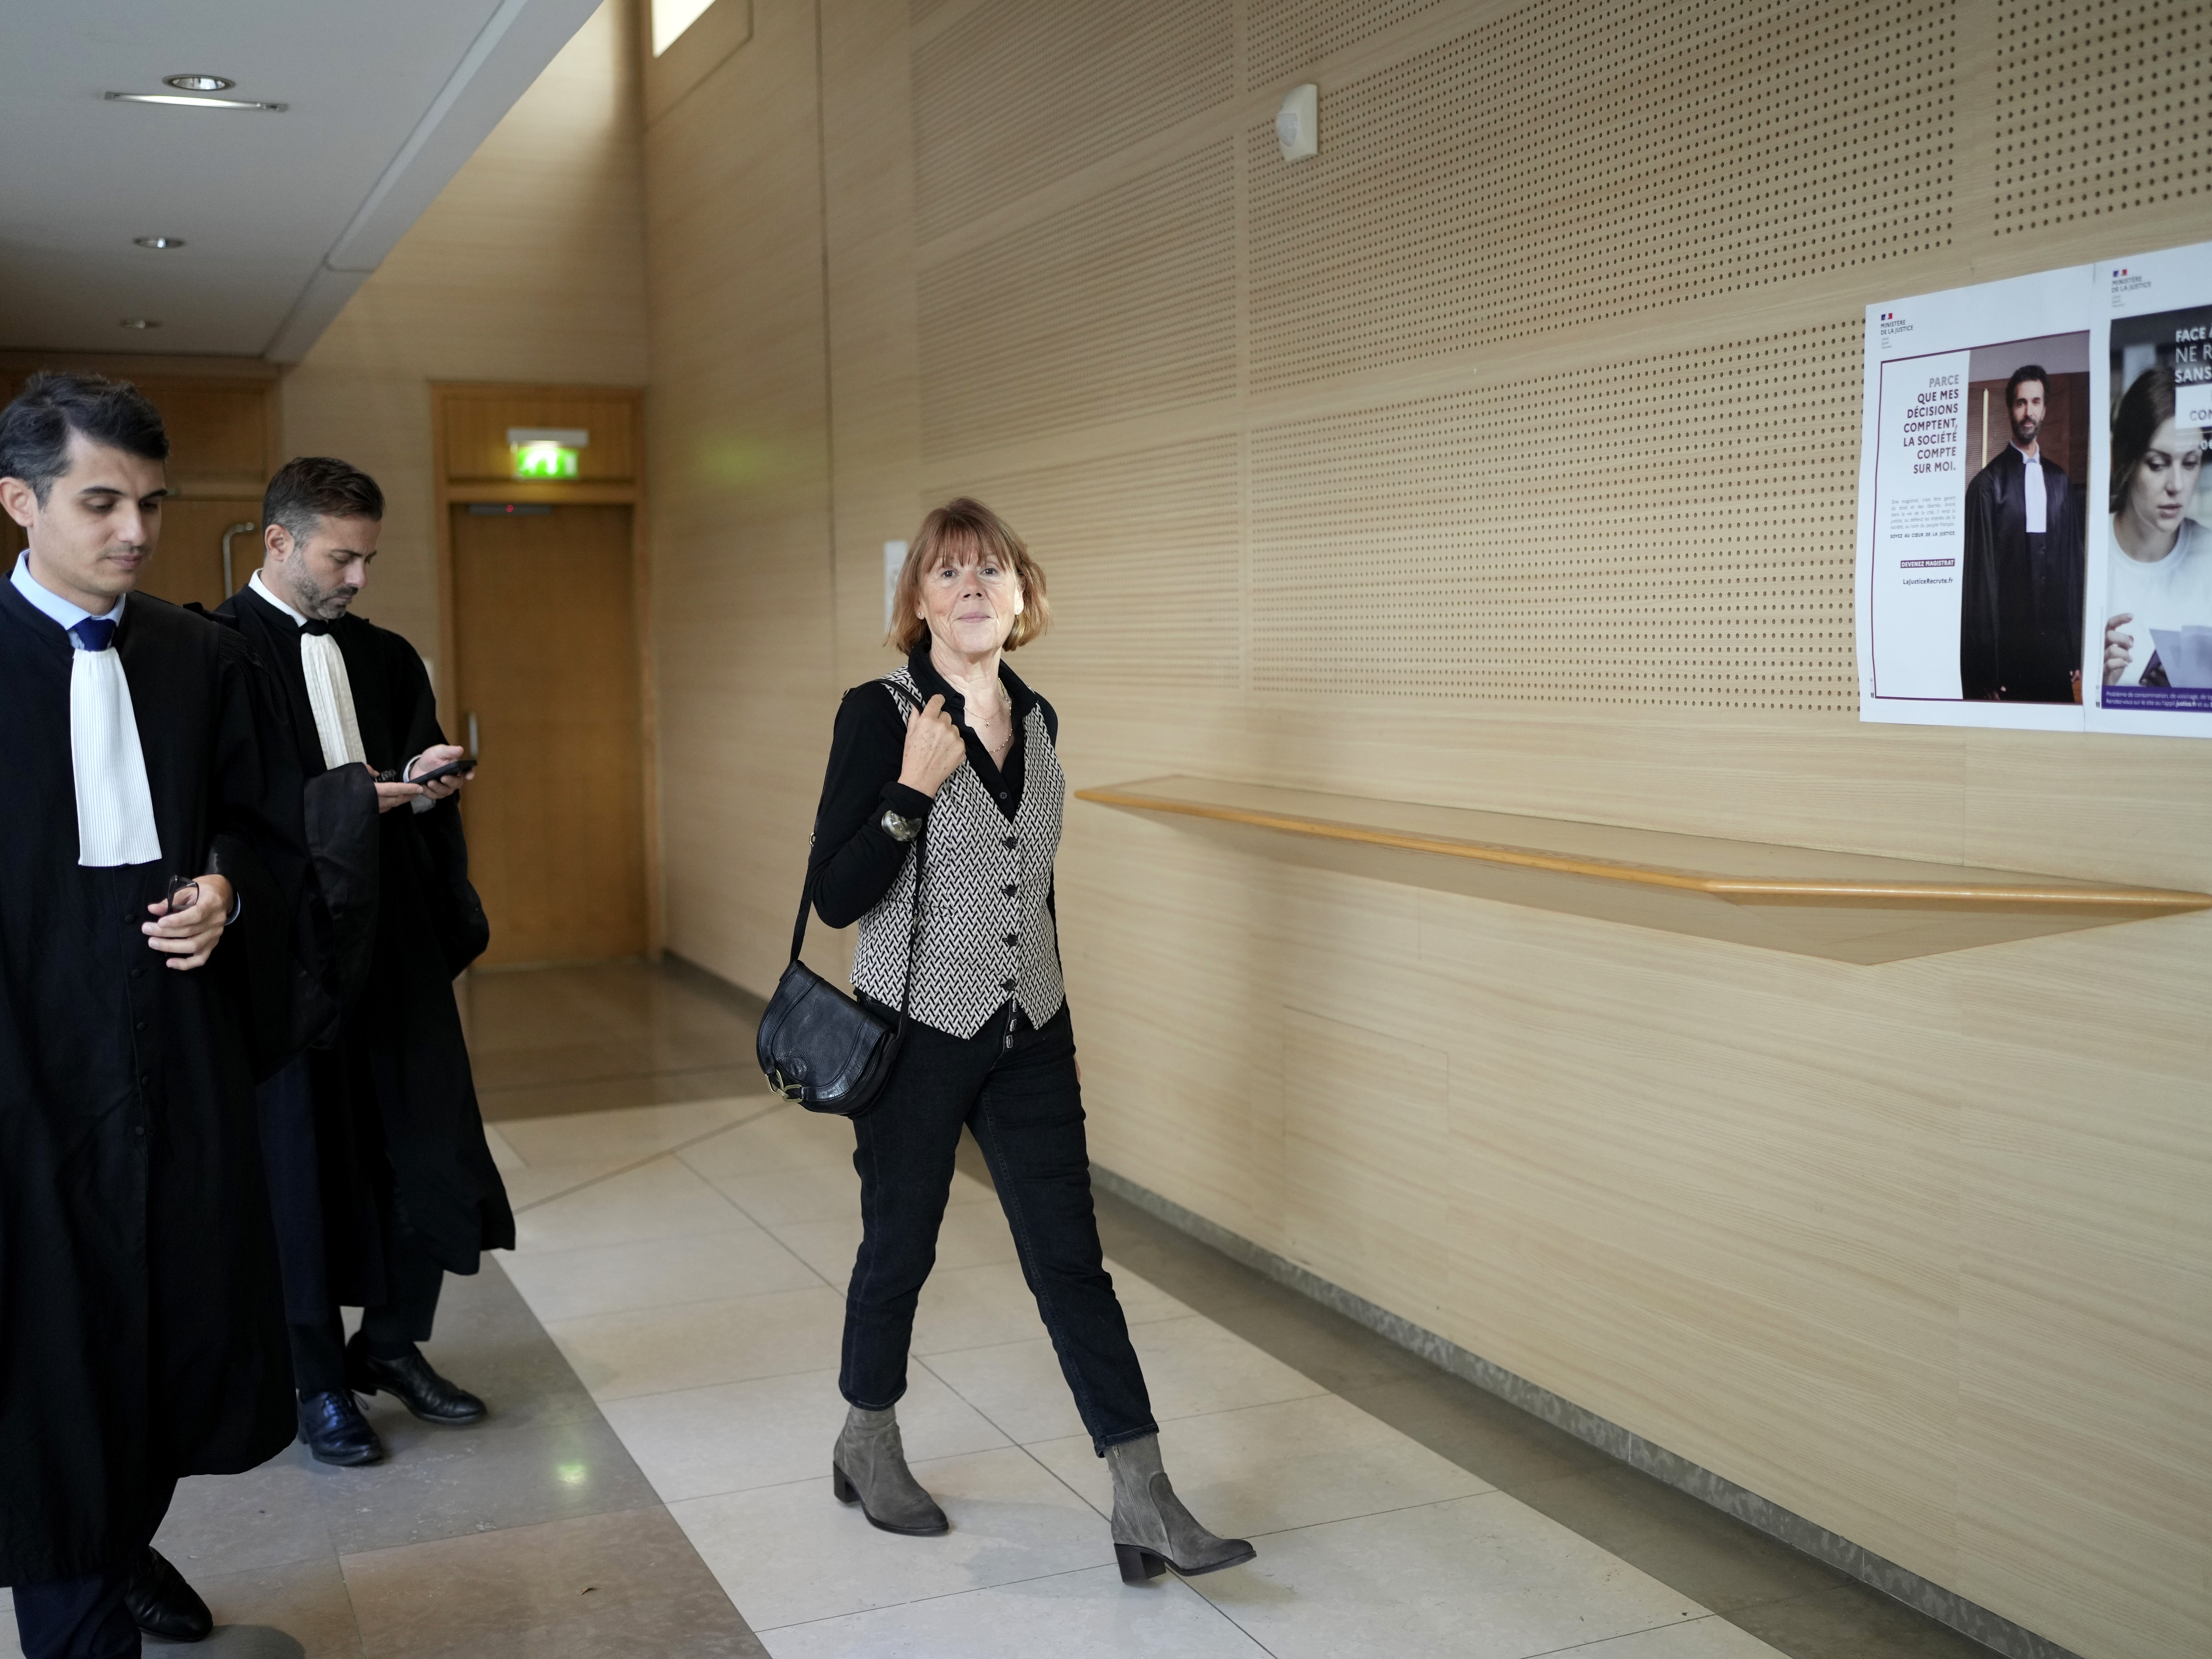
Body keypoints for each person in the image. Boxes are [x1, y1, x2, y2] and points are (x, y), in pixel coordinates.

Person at [804, 498, 1254, 1585]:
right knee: (899, 1244)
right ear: (918, 601)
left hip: (1030, 1032)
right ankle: (867, 1439)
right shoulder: (878, 711)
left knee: (1071, 1260)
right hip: (911, 1036)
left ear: (1024, 595)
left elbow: (1029, 884)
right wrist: (911, 790)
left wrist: (1049, 1010)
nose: (972, 587)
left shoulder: (1043, 718)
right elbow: (834, 894)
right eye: (948, 572)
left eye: (991, 570)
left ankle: (1143, 1491)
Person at [0, 374, 306, 1656]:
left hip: (172, 1062)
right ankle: (78, 1593)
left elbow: (264, 821)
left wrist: (229, 889)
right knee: (45, 1360)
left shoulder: (198, 657)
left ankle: (122, 1541)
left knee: (170, 1325)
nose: (135, 530)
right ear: (19, 503)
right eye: (101, 502)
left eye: (152, 504)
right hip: (21, 1077)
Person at [210, 456, 512, 1467]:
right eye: (343, 557)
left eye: (370, 557)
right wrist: (350, 801)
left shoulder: (386, 658)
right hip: (285, 961)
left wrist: (427, 781)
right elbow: (225, 816)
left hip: (394, 945)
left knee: (424, 1150)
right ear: (280, 543)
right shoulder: (209, 654)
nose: (359, 579)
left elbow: (410, 764)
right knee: (299, 1171)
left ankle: (391, 1346)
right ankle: (316, 1381)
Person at [1961, 363, 2087, 701]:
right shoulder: (1987, 487)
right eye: (2021, 403)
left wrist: (2076, 647)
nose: (2028, 412)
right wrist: (1986, 670)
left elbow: (2073, 571)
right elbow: (1979, 588)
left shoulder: (2060, 483)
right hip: (2007, 662)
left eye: (2035, 402)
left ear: (2045, 409)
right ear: (2010, 410)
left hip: (2054, 656)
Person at [2100, 367, 2211, 687]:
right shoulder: (2086, 554)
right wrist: (2101, 687)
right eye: (2158, 464)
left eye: (2190, 463)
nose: (2177, 485)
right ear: (2127, 463)